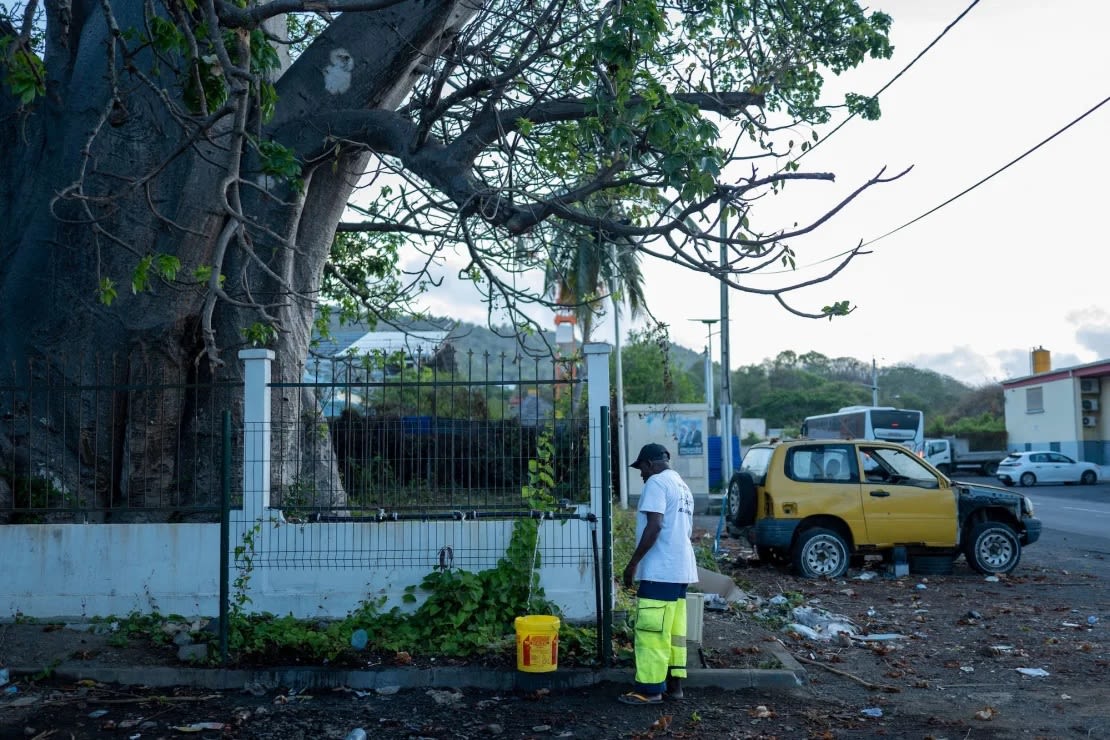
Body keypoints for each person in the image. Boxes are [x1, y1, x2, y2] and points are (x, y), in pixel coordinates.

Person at [619, 443, 699, 705]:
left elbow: (655, 526)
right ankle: (674, 687)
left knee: (651, 632)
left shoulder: (656, 483)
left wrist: (632, 565)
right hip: (681, 570)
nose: (641, 474)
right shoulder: (682, 486)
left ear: (650, 464)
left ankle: (649, 691)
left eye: (641, 468)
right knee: (674, 633)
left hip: (660, 570)